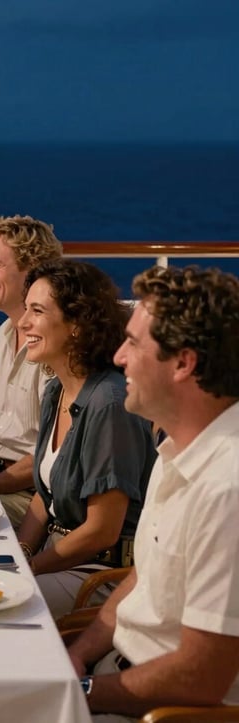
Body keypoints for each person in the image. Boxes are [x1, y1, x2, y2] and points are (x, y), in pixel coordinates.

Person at [68, 265, 239, 721]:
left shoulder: (227, 489)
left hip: (162, 710)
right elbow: (144, 580)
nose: (119, 357)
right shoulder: (177, 448)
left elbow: (200, 677)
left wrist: (76, 692)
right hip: (114, 674)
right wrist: (77, 656)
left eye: (133, 343)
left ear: (183, 363)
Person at [17, 259, 156, 618]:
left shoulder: (109, 404)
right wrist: (20, 553)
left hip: (100, 573)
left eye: (37, 311)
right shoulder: (57, 390)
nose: (23, 322)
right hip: (58, 557)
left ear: (77, 324)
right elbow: (44, 495)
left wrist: (29, 570)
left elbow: (101, 531)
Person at [0, 215, 63, 528]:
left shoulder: (54, 346)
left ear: (32, 271)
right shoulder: (4, 334)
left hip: (32, 495)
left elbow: (52, 455)